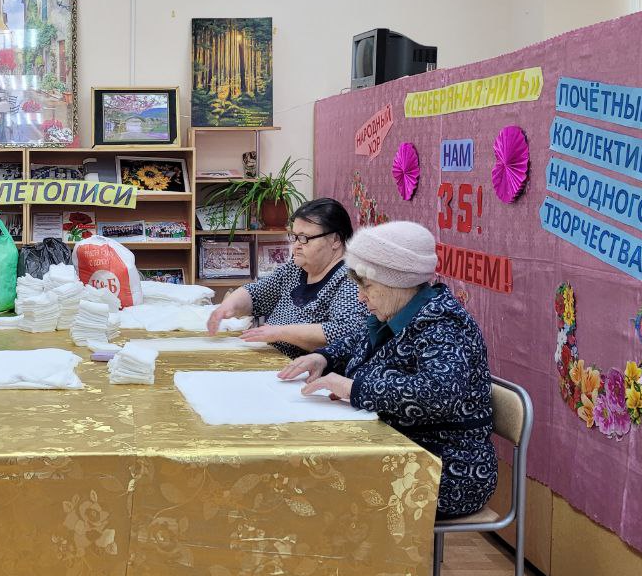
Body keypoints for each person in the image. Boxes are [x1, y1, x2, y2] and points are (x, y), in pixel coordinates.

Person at [279, 221, 496, 518]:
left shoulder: (444, 326)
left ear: (397, 283)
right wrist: (324, 358)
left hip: (445, 468)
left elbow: (438, 394)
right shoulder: (399, 312)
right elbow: (360, 342)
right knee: (305, 472)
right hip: (398, 449)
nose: (360, 297)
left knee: (314, 486)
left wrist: (353, 388)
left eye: (367, 286)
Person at [207, 198, 366, 358]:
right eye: (294, 237)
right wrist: (226, 307)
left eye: (304, 238)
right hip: (272, 357)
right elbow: (256, 294)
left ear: (335, 240)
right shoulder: (296, 268)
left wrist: (280, 333)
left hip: (306, 368)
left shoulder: (350, 279)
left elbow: (346, 332)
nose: (296, 246)